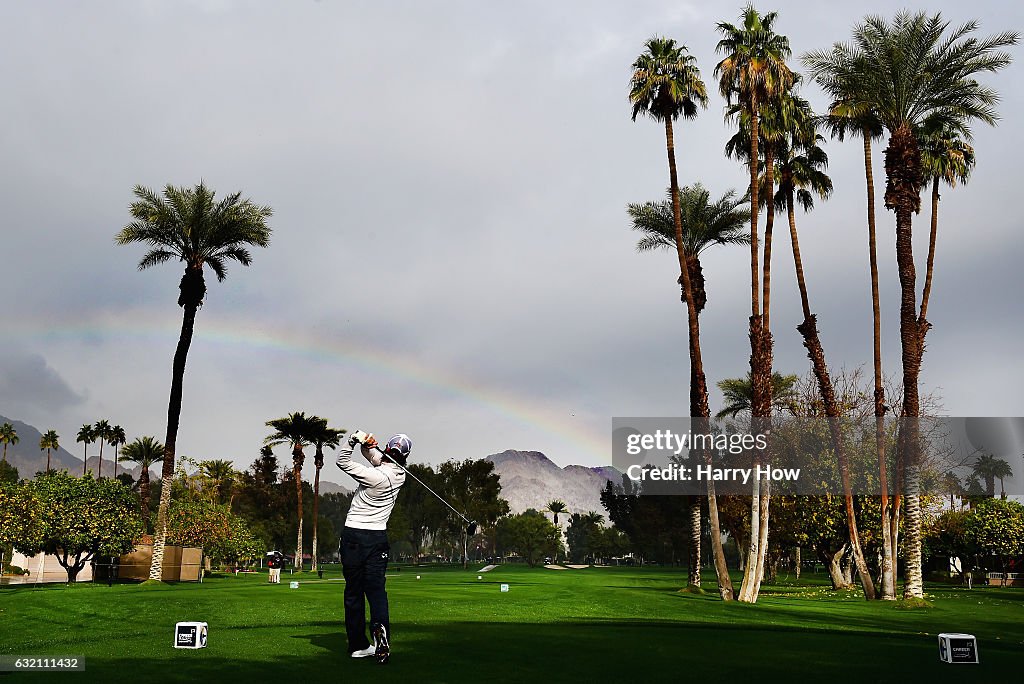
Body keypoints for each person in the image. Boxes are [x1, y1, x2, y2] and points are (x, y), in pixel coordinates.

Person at [336, 432, 411, 664]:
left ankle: (359, 646)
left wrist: (352, 441)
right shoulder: (400, 475)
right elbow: (374, 457)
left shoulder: (374, 476)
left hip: (354, 537)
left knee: (354, 593)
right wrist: (367, 445)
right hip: (378, 539)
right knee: (377, 591)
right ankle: (380, 630)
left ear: (388, 450)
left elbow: (342, 462)